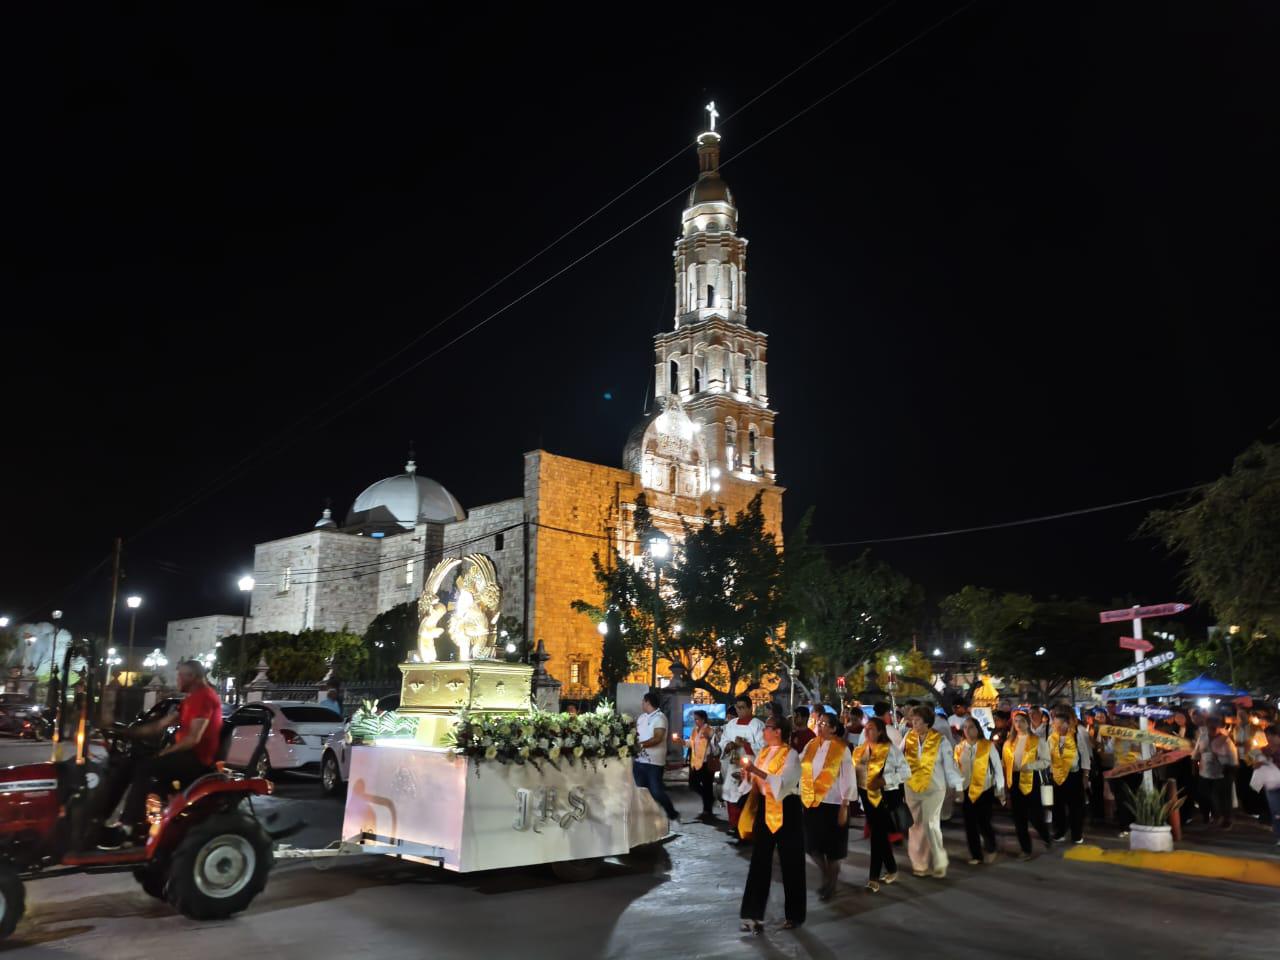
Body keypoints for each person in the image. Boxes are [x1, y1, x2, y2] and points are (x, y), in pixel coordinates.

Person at [100, 659, 223, 847]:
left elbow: (193, 739)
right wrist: (125, 732)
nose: (178, 679)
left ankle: (128, 828)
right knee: (130, 762)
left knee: (146, 767)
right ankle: (100, 820)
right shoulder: (190, 700)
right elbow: (159, 725)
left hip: (196, 760)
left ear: (193, 677)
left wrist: (164, 753)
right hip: (186, 756)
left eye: (180, 675)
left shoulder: (204, 697)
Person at [738, 715, 804, 933]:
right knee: (759, 861)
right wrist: (747, 775)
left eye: (767, 728)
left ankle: (795, 915)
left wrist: (756, 771)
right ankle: (752, 914)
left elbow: (784, 784)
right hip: (766, 809)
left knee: (791, 862)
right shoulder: (763, 753)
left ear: (778, 732)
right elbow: (755, 783)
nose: (763, 732)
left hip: (787, 809)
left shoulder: (792, 755)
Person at [799, 711, 856, 900]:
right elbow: (798, 763)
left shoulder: (842, 748)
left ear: (833, 728)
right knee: (813, 846)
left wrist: (844, 805)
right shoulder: (811, 745)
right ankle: (826, 875)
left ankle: (830, 884)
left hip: (834, 803)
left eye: (824, 724)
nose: (819, 726)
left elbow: (848, 778)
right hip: (812, 801)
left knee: (832, 850)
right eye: (818, 723)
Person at [903, 704, 963, 878]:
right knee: (915, 826)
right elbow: (898, 759)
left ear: (927, 722)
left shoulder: (940, 740)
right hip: (912, 788)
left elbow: (949, 766)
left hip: (934, 788)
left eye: (917, 721)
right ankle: (919, 864)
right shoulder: (908, 737)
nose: (913, 724)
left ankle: (939, 859)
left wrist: (958, 787)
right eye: (912, 720)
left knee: (930, 824)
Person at [853, 716, 909, 892]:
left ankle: (873, 878)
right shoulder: (860, 750)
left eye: (871, 728)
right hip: (867, 799)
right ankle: (891, 868)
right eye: (866, 728)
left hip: (884, 798)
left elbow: (906, 772)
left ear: (880, 731)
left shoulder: (890, 749)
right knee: (879, 836)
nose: (867, 731)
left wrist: (885, 780)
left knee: (877, 836)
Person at [1002, 710, 1051, 860]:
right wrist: (1005, 786)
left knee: (1035, 816)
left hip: (1031, 779)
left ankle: (1046, 836)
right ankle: (1026, 849)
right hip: (1014, 781)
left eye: (1021, 721)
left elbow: (1046, 761)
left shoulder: (1037, 740)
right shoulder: (1009, 743)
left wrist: (1030, 766)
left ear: (1027, 723)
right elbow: (1005, 764)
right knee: (1019, 818)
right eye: (1016, 721)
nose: (1018, 724)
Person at [955, 715, 1004, 864]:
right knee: (970, 824)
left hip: (985, 790)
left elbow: (997, 769)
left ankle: (991, 845)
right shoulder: (959, 748)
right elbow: (956, 770)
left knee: (984, 822)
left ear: (978, 729)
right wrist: (958, 790)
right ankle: (976, 854)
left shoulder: (988, 746)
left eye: (971, 727)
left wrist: (1000, 789)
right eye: (965, 727)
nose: (968, 730)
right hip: (966, 790)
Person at [720, 694, 765, 840]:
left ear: (750, 707)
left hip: (750, 765)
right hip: (734, 764)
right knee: (730, 793)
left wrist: (745, 744)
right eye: (737, 708)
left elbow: (762, 747)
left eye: (742, 708)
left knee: (746, 797)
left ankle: (747, 828)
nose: (739, 711)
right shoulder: (731, 724)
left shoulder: (757, 725)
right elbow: (724, 740)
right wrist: (728, 745)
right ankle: (734, 825)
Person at [634, 692, 679, 822]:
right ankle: (647, 817)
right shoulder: (642, 717)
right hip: (639, 760)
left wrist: (640, 746)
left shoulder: (660, 718)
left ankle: (671, 812)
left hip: (654, 762)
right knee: (640, 790)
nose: (641, 704)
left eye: (643, 701)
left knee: (656, 791)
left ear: (648, 702)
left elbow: (657, 738)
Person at [1048, 707, 1089, 844]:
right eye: (1055, 724)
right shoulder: (1051, 739)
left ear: (1067, 723)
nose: (1058, 727)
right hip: (1057, 777)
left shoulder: (1076, 735)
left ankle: (1077, 833)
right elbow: (1048, 758)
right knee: (1058, 806)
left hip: (1074, 775)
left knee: (1075, 807)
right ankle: (1060, 831)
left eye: (1061, 724)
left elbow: (1085, 756)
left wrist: (1085, 775)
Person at [1192, 714, 1237, 828]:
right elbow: (1196, 753)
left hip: (1221, 774)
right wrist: (1194, 767)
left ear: (1219, 726)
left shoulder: (1226, 740)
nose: (1212, 729)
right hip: (1204, 773)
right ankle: (1207, 815)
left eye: (1214, 727)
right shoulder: (1202, 738)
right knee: (1204, 796)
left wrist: (1228, 770)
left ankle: (1226, 818)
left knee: (1223, 798)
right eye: (1210, 726)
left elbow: (1233, 759)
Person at [687, 709, 716, 820]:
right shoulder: (695, 730)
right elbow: (692, 744)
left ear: (703, 719)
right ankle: (709, 799)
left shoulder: (709, 730)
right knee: (693, 784)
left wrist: (708, 737)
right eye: (694, 719)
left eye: (697, 719)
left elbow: (715, 745)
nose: (695, 721)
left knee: (707, 786)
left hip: (706, 762)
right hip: (696, 762)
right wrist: (682, 742)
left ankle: (707, 810)